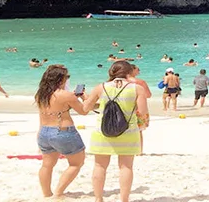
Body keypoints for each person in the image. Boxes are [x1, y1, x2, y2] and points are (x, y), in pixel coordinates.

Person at [81, 61, 149, 202]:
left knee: (100, 166)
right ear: (129, 73)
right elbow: (142, 113)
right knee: (126, 167)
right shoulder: (137, 89)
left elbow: (85, 108)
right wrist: (141, 124)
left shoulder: (101, 87)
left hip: (102, 132)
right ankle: (124, 200)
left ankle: (98, 199)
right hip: (128, 132)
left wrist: (94, 102)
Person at [34, 65, 88, 198]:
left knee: (47, 165)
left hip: (44, 132)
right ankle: (58, 193)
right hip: (63, 131)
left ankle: (47, 194)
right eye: (66, 77)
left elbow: (43, 115)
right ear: (60, 79)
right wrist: (84, 97)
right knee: (76, 163)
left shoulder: (40, 94)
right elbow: (84, 111)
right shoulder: (66, 95)